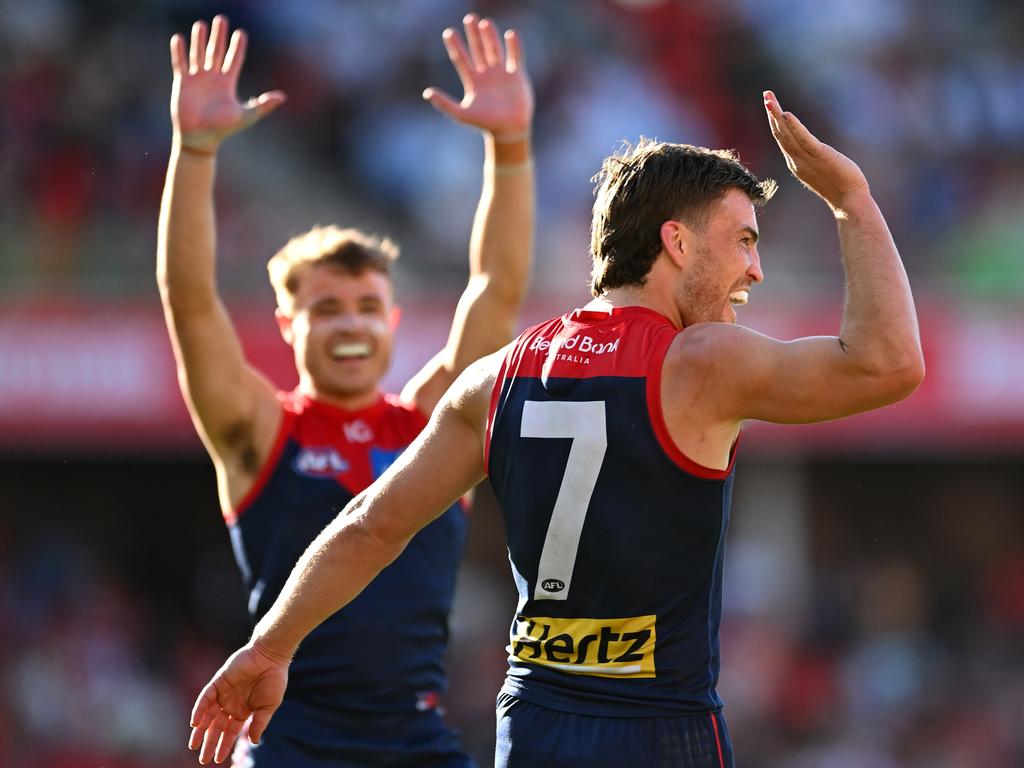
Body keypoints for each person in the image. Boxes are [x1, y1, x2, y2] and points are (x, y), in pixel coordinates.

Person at [186, 92, 924, 767]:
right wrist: (851, 199)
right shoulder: (700, 361)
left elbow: (371, 523)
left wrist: (269, 648)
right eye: (742, 240)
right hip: (658, 726)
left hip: (534, 723)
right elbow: (888, 365)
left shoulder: (498, 373)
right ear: (676, 241)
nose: (755, 269)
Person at [158, 12, 534, 768]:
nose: (351, 325)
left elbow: (495, 291)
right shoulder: (260, 430)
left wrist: (511, 146)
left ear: (393, 322)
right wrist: (194, 152)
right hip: (284, 741)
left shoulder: (433, 423)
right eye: (326, 309)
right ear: (287, 324)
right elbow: (190, 298)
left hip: (417, 743)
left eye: (367, 307)